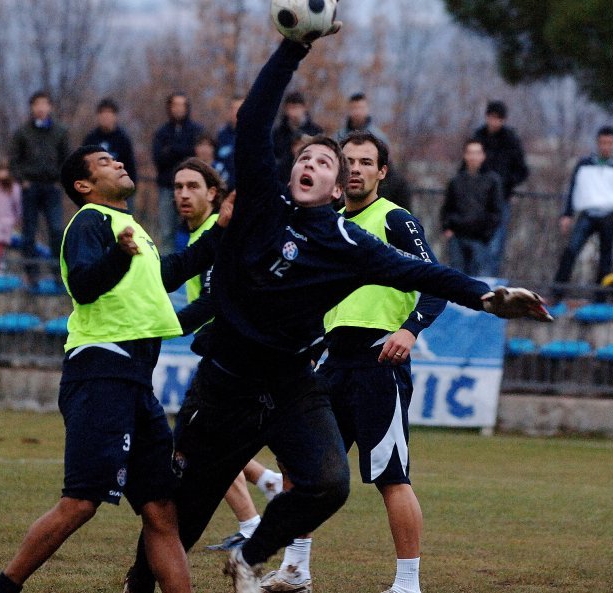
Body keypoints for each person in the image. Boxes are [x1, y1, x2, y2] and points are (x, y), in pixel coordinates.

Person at [123, 33, 551, 593]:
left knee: (329, 483)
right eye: (307, 158)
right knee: (186, 511)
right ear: (291, 170)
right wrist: (293, 48)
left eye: (327, 163)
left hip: (292, 383)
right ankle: (139, 585)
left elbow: (423, 274)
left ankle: (251, 555)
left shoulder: (350, 242)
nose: (315, 165)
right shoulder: (260, 204)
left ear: (334, 186)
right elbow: (253, 118)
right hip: (225, 384)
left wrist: (487, 298)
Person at [0, 145, 229, 593]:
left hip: (134, 380)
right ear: (84, 185)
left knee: (160, 510)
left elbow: (171, 271)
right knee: (81, 502)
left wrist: (220, 230)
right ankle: (1, 589)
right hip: (99, 371)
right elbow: (84, 285)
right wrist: (119, 256)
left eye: (117, 159)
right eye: (106, 163)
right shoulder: (89, 222)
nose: (119, 164)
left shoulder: (130, 228)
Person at [261, 130, 447, 593]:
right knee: (301, 468)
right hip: (330, 364)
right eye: (350, 161)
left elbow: (437, 283)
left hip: (378, 363)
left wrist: (409, 329)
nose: (358, 168)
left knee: (391, 478)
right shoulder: (329, 226)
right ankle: (295, 570)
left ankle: (408, 585)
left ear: (382, 172)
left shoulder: (395, 220)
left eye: (367, 161)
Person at [169, 158, 283, 553]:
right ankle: (267, 486)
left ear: (213, 194)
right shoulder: (198, 237)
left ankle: (253, 522)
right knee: (208, 444)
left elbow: (215, 301)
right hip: (214, 354)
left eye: (193, 187)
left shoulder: (219, 235)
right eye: (178, 186)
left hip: (230, 359)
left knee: (202, 446)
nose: (184, 194)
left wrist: (169, 324)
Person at [553, 126, 613, 302]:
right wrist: (567, 214)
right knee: (571, 250)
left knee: (606, 257)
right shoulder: (585, 163)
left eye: (609, 143)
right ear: (597, 143)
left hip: (610, 215)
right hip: (587, 214)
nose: (606, 147)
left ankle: (600, 297)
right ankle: (557, 292)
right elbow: (573, 189)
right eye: (603, 143)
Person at [9, 91, 70, 283]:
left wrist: (60, 180)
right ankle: (31, 272)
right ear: (32, 107)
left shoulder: (60, 131)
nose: (41, 108)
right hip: (30, 186)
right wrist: (22, 179)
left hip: (52, 186)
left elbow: (67, 159)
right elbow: (14, 160)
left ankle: (58, 272)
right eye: (37, 104)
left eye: (44, 104)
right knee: (29, 231)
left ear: (50, 107)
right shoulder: (23, 132)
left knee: (56, 229)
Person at [474, 100, 529, 276]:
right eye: (491, 118)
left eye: (498, 119)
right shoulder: (479, 137)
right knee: (475, 243)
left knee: (495, 245)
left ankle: (489, 283)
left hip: (500, 200)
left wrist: (507, 185)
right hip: (478, 199)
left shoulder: (510, 140)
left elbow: (522, 170)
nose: (494, 122)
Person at [441, 139, 504, 276]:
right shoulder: (456, 181)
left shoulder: (492, 181)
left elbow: (497, 210)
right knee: (456, 277)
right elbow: (447, 207)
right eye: (470, 153)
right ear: (465, 155)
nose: (473, 157)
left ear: (483, 155)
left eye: (477, 153)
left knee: (479, 278)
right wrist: (447, 227)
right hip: (457, 236)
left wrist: (487, 233)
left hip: (481, 238)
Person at [152, 92, 204, 253]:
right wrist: (182, 151)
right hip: (168, 188)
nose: (179, 109)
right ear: (169, 107)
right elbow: (159, 159)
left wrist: (173, 150)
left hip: (194, 189)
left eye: (182, 105)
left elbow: (198, 156)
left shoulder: (197, 130)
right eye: (175, 105)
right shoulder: (161, 133)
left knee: (195, 228)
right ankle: (168, 272)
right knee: (167, 232)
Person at [83, 97, 138, 209]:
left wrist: (130, 189)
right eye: (102, 113)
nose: (106, 117)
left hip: (120, 191)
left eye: (109, 113)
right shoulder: (90, 139)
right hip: (96, 191)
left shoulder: (123, 139)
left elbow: (130, 166)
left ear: (115, 116)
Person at [272, 92, 323, 185]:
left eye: (296, 108)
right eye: (290, 108)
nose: (293, 113)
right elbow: (274, 159)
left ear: (304, 108)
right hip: (284, 179)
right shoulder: (278, 133)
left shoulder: (315, 131)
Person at [216, 97, 244, 191]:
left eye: (241, 107)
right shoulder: (221, 135)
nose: (237, 111)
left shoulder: (255, 134)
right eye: (234, 108)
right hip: (225, 189)